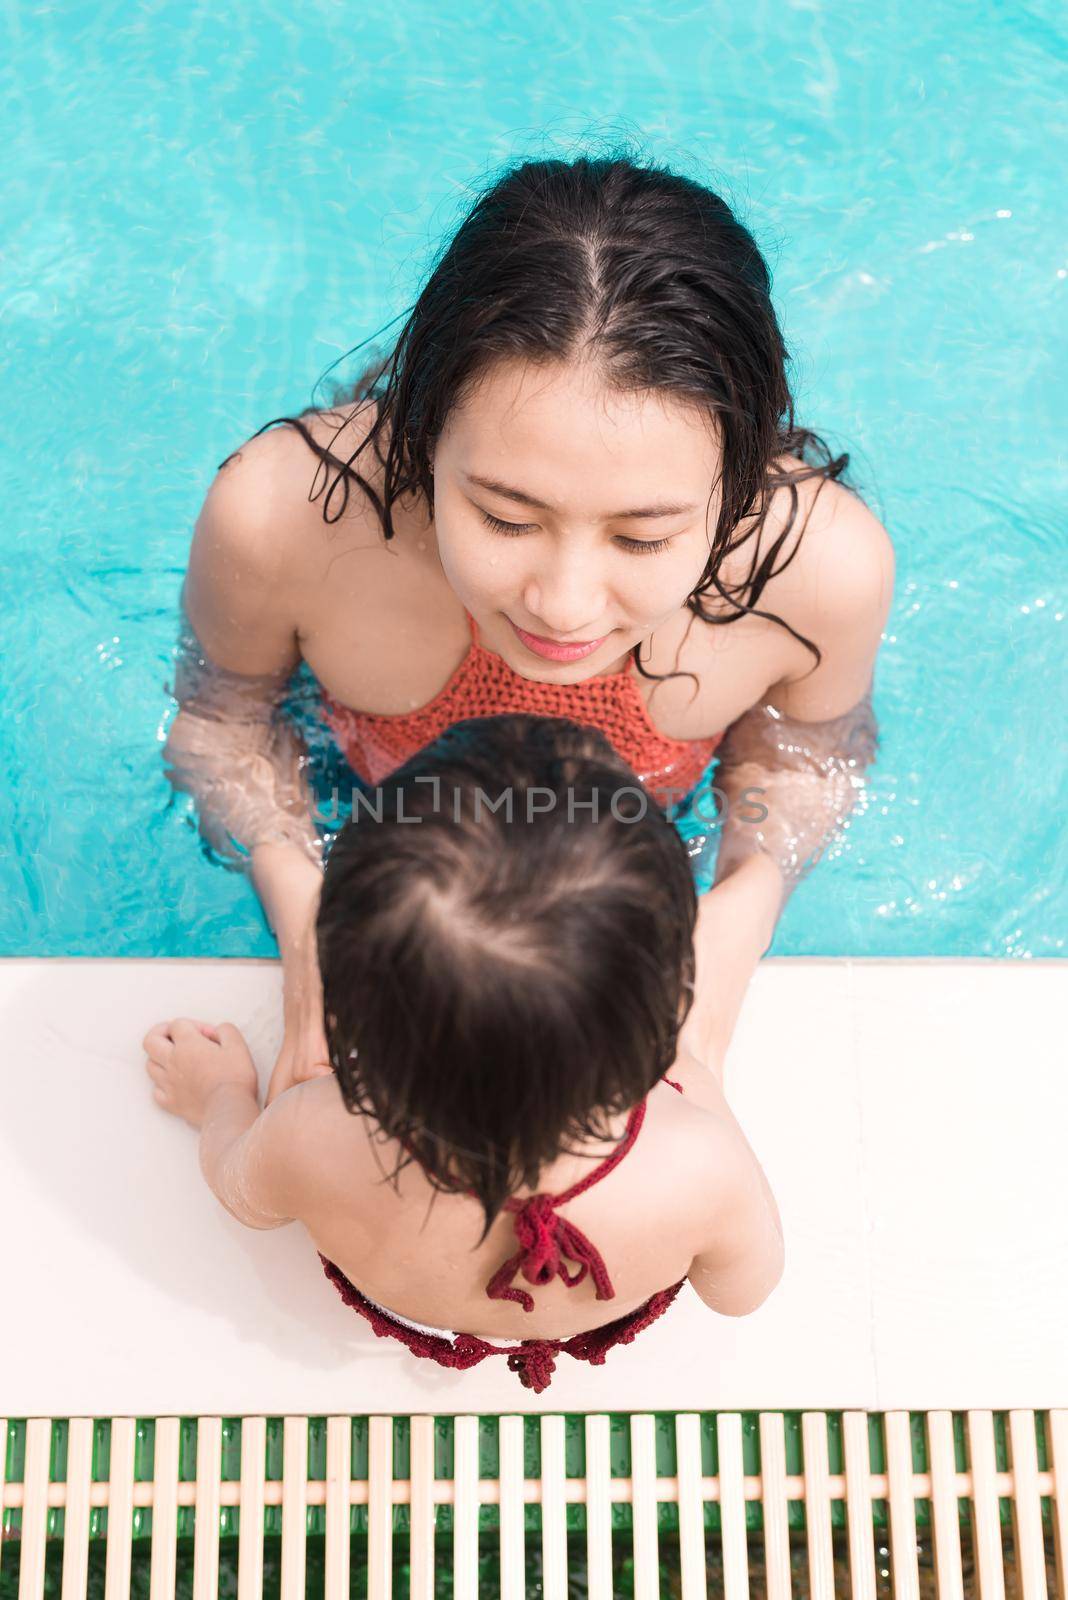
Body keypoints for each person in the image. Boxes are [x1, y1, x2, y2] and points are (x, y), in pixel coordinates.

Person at [162, 149, 894, 1108]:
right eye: (507, 518)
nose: (565, 602)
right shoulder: (284, 520)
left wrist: (736, 917)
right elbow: (224, 724)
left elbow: (805, 760)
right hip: (366, 814)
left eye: (644, 536)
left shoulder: (821, 570)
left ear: (741, 481)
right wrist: (306, 914)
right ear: (423, 427)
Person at [144, 715, 786, 1394]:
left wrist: (219, 1095)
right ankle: (746, 884)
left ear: (350, 1023)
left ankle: (293, 884)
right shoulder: (698, 1165)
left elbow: (243, 1195)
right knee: (754, 891)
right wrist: (695, 1078)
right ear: (663, 1011)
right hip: (629, 1185)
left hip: (400, 1280)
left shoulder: (316, 1130)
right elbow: (742, 1291)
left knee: (269, 829)